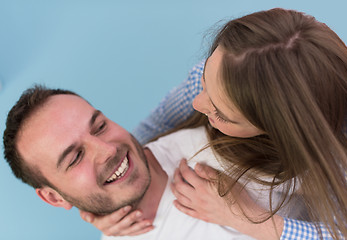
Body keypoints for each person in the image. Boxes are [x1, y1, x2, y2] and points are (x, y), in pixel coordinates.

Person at [82, 8, 347, 240]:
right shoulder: (226, 72)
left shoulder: (346, 154)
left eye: (222, 115)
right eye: (203, 81)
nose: (197, 104)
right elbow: (151, 128)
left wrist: (249, 219)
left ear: (281, 130)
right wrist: (109, 200)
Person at [3, 85, 275, 240]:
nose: (107, 150)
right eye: (75, 158)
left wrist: (253, 220)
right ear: (54, 198)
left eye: (99, 126)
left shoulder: (218, 146)